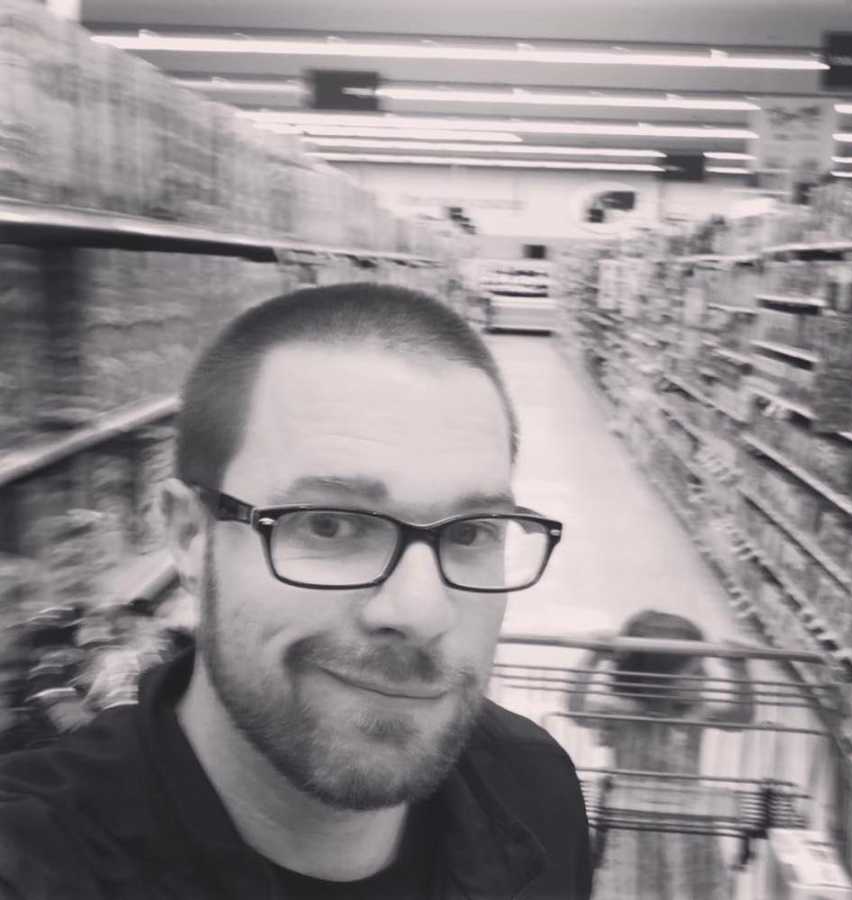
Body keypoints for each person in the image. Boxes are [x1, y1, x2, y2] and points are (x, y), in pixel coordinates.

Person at [0, 284, 591, 900]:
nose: (422, 610)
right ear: (189, 535)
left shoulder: (536, 788)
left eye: (471, 532)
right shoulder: (34, 859)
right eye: (330, 524)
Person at [568, 609, 755, 900]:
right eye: (695, 672)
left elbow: (742, 717)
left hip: (686, 820)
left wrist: (739, 671)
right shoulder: (622, 711)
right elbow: (576, 709)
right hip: (634, 821)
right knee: (634, 884)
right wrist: (593, 657)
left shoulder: (697, 713)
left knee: (688, 885)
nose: (706, 678)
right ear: (657, 680)